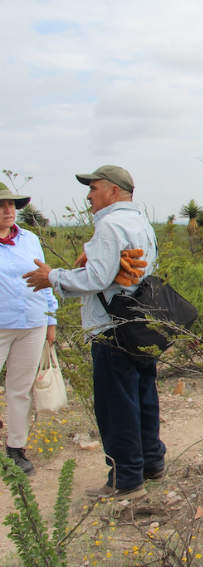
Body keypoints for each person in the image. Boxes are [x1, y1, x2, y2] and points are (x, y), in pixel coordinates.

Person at [23, 165, 163, 500]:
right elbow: (135, 272)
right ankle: (151, 462)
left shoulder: (110, 226)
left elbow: (98, 279)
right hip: (140, 323)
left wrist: (52, 277)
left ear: (113, 191)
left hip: (110, 328)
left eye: (94, 188)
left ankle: (126, 480)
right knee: (143, 395)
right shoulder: (141, 222)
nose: (88, 195)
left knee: (116, 404)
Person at [0, 183, 58, 475]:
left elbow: (44, 277)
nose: (8, 210)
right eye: (1, 205)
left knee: (19, 389)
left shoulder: (29, 239)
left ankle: (16, 449)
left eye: (11, 204)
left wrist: (51, 319)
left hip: (32, 323)